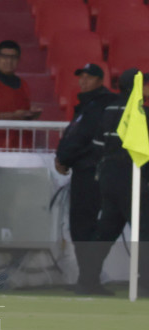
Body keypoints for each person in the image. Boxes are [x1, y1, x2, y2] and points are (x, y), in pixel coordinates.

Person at [55, 63, 118, 295]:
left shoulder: (97, 105)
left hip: (90, 172)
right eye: (81, 77)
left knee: (84, 226)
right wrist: (63, 157)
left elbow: (82, 138)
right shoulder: (89, 104)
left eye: (89, 77)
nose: (83, 81)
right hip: (88, 170)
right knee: (86, 227)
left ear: (100, 80)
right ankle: (88, 279)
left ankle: (88, 279)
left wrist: (64, 158)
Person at [89, 68, 149, 295]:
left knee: (106, 230)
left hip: (108, 174)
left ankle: (87, 279)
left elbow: (97, 146)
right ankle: (145, 283)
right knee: (144, 232)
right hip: (132, 175)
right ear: (138, 87)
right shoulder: (141, 113)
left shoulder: (108, 110)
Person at [0, 40, 41, 148]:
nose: (9, 61)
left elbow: (23, 114)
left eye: (13, 57)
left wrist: (31, 114)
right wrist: (14, 116)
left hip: (18, 146)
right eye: (4, 57)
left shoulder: (23, 84)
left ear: (19, 60)